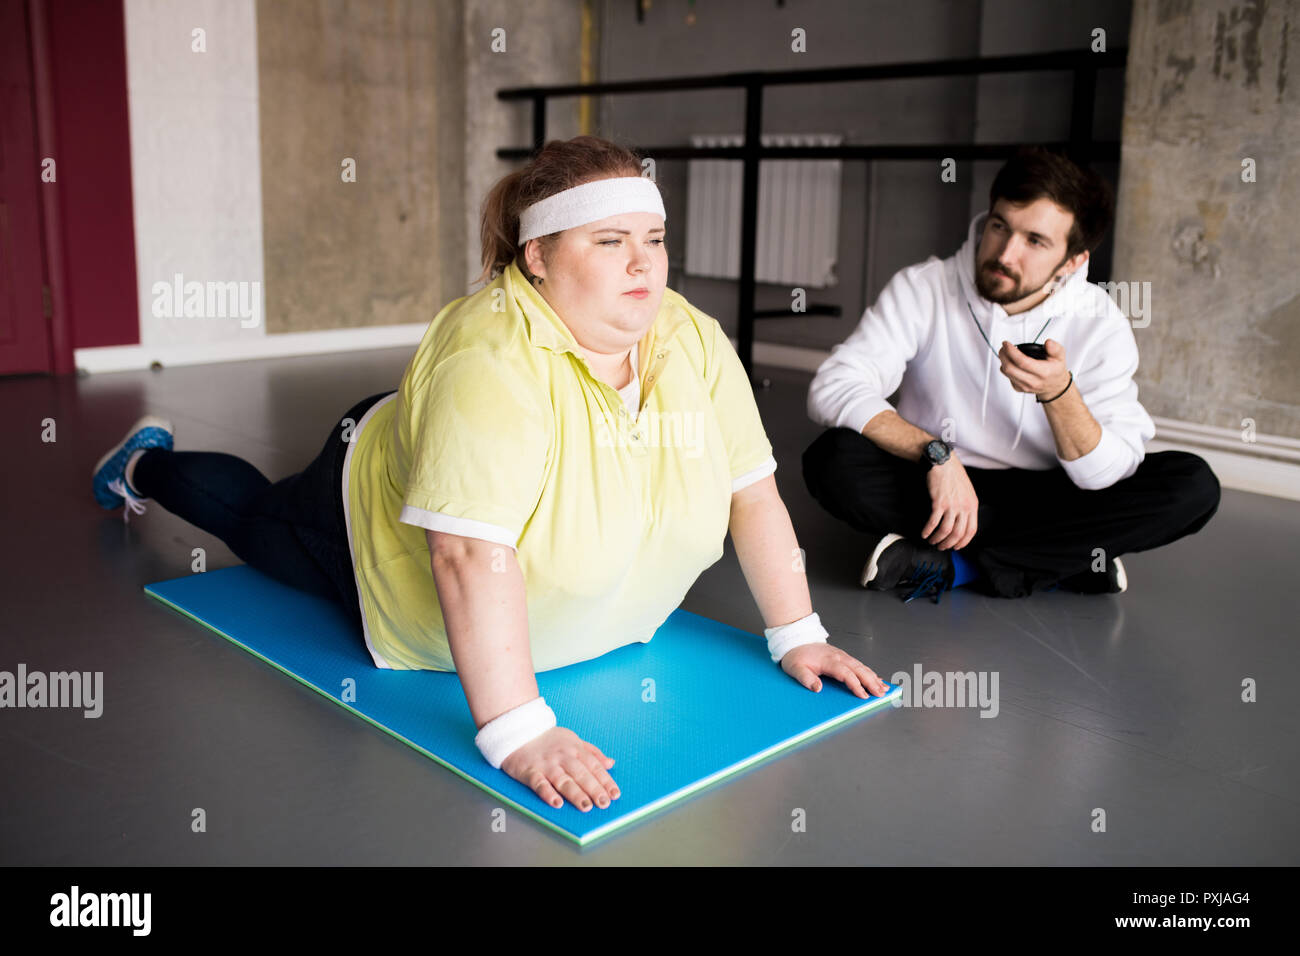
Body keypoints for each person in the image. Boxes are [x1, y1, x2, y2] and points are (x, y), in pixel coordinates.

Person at [92, 135, 890, 816]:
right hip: (376, 492)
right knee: (259, 524)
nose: (643, 263)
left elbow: (749, 490)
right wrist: (518, 728)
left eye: (653, 238)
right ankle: (148, 462)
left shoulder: (691, 337)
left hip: (483, 441)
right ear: (537, 255)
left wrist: (799, 636)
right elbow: (467, 553)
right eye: (609, 242)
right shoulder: (488, 356)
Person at [802, 146, 1220, 603]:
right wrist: (935, 453)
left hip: (1048, 493)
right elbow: (833, 386)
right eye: (999, 226)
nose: (1004, 253)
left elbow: (1106, 473)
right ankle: (1064, 559)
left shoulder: (1101, 321)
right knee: (831, 459)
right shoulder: (924, 287)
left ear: (1073, 260)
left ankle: (957, 565)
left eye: (1035, 241)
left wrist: (1059, 393)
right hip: (937, 481)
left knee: (1192, 485)